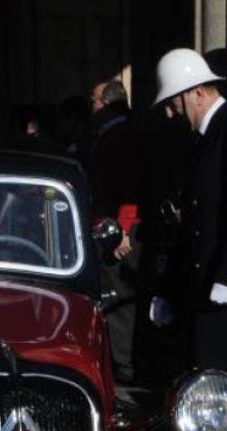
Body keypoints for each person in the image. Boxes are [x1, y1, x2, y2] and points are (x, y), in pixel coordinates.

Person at [148, 48, 227, 386]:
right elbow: (192, 224)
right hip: (202, 288)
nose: (169, 113)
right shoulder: (200, 140)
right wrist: (170, 288)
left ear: (198, 93)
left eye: (173, 103)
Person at [88, 78, 142, 383]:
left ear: (107, 105)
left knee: (120, 300)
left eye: (94, 102)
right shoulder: (112, 135)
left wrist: (122, 230)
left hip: (119, 231)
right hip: (107, 226)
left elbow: (129, 188)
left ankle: (125, 367)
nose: (92, 108)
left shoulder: (122, 137)